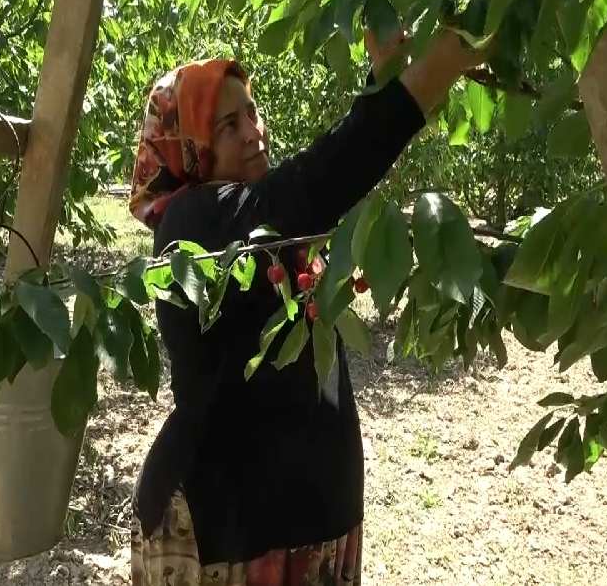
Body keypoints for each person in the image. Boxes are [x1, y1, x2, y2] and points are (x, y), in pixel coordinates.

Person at [126, 28, 484, 585]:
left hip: (303, 520)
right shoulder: (189, 223)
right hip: (229, 532)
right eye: (227, 125)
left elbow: (312, 181)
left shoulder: (262, 222)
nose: (253, 134)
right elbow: (318, 183)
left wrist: (381, 80)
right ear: (190, 147)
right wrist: (430, 74)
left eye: (252, 113)